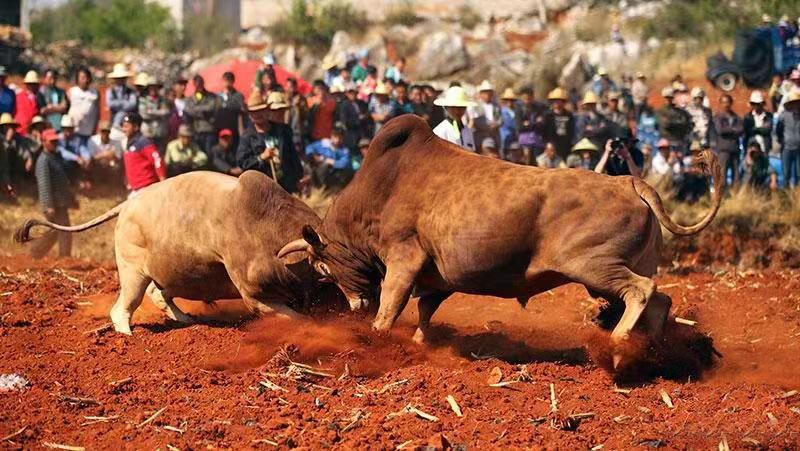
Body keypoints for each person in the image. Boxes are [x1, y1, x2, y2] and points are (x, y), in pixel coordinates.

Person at [236, 94, 302, 192]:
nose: (258, 114)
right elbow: (242, 162)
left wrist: (298, 177)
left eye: (261, 110)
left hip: (285, 186)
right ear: (249, 115)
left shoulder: (282, 130)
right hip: (261, 189)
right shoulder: (247, 137)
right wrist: (262, 157)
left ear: (267, 110)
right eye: (254, 112)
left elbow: (293, 156)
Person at [33, 129, 75, 258]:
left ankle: (35, 253)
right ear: (44, 142)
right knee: (63, 231)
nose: (55, 143)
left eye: (56, 141)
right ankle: (64, 257)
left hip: (60, 202)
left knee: (56, 231)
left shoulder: (55, 157)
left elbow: (62, 180)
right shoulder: (43, 160)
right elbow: (44, 184)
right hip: (54, 204)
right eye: (52, 141)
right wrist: (48, 206)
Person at [121, 112, 166, 197]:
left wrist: (162, 179)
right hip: (135, 189)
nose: (124, 129)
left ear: (135, 127)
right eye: (123, 126)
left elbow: (157, 159)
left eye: (126, 126)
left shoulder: (143, 142)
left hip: (146, 188)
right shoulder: (128, 143)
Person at [432, 86, 476, 151]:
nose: (457, 111)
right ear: (446, 108)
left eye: (462, 107)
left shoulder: (467, 131)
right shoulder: (440, 131)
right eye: (453, 107)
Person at [713, 94, 744, 186]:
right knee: (722, 175)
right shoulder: (718, 117)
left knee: (736, 175)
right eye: (724, 102)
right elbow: (721, 130)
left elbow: (741, 130)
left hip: (735, 149)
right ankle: (723, 197)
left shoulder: (736, 117)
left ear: (731, 103)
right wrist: (734, 130)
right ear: (721, 104)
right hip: (723, 150)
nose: (726, 104)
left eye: (728, 102)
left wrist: (730, 130)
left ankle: (736, 196)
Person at [0, 113, 34, 196]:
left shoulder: (17, 138)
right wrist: (8, 140)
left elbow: (24, 150)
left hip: (14, 168)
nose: (9, 128)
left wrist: (29, 159)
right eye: (6, 126)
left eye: (11, 126)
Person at [185, 75, 219, 153]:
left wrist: (196, 109)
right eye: (197, 84)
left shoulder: (211, 96)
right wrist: (202, 111)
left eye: (200, 83)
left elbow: (210, 108)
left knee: (209, 152)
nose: (199, 85)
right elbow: (189, 110)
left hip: (208, 128)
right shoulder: (191, 98)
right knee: (198, 153)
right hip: (196, 129)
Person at [67, 67, 99, 147]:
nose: (85, 80)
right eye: (82, 78)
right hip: (74, 131)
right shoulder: (71, 91)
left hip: (88, 131)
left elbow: (97, 112)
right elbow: (64, 108)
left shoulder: (95, 93)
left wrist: (95, 128)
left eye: (87, 78)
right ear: (77, 79)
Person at [106, 63, 138, 142]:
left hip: (128, 127)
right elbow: (110, 104)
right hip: (115, 126)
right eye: (118, 78)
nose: (120, 80)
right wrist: (124, 103)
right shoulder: (110, 91)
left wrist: (119, 105)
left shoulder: (131, 91)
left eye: (122, 78)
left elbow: (132, 104)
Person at [655, 87, 692, 154]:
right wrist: (677, 123)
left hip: (678, 141)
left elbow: (685, 123)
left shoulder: (679, 111)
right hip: (666, 142)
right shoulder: (661, 111)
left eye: (670, 97)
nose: (669, 99)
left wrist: (674, 123)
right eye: (667, 98)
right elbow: (666, 124)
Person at [515, 86, 546, 164]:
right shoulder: (519, 109)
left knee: (537, 163)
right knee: (526, 164)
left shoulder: (538, 108)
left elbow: (541, 125)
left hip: (536, 141)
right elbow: (520, 127)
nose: (527, 101)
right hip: (524, 142)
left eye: (529, 98)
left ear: (532, 97)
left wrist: (529, 124)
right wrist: (534, 123)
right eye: (525, 98)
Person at [542, 87, 575, 161]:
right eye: (555, 101)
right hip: (552, 144)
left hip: (565, 144)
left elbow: (572, 130)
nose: (557, 103)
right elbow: (544, 131)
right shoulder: (548, 115)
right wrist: (547, 143)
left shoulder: (569, 115)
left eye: (560, 101)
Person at [139, 75, 170, 151]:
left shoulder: (162, 100)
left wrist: (151, 111)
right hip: (148, 132)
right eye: (151, 87)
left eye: (155, 87)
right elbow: (144, 115)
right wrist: (159, 112)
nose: (153, 89)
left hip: (160, 132)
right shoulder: (143, 100)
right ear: (148, 88)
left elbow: (166, 112)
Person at [468, 80, 501, 153]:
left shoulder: (496, 106)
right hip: (480, 136)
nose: (487, 95)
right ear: (481, 94)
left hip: (494, 135)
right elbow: (474, 120)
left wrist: (496, 124)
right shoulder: (476, 106)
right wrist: (487, 126)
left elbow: (500, 119)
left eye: (489, 92)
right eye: (485, 92)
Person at [216, 71, 246, 150]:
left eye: (229, 80)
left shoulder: (238, 95)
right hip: (221, 128)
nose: (227, 83)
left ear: (233, 81)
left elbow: (242, 109)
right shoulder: (218, 96)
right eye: (225, 80)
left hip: (234, 128)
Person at [777, 90, 800, 188]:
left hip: (799, 148)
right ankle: (785, 198)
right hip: (786, 148)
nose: (796, 105)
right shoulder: (784, 115)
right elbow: (778, 130)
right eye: (794, 103)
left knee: (798, 174)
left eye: (797, 102)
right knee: (786, 174)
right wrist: (782, 141)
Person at [14, 71, 45, 136]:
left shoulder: (38, 97)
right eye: (30, 84)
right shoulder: (19, 96)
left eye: (34, 84)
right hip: (20, 130)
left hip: (30, 131)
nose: (32, 86)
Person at [336, 87, 366, 151]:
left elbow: (367, 113)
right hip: (351, 134)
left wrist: (364, 117)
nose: (352, 94)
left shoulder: (361, 103)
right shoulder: (344, 105)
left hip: (362, 133)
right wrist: (358, 120)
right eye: (350, 93)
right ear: (347, 94)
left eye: (354, 93)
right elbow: (345, 121)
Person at [743, 90, 773, 155]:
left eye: (758, 104)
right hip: (750, 147)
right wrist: (761, 128)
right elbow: (747, 131)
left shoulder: (768, 116)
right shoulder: (748, 117)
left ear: (762, 104)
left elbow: (767, 130)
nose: (756, 106)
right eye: (754, 104)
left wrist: (754, 129)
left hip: (764, 147)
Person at [285, 78, 308, 153]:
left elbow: (306, 115)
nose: (289, 89)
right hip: (285, 128)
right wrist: (291, 105)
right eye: (287, 86)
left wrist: (299, 107)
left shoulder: (301, 98)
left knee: (297, 152)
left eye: (291, 87)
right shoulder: (283, 97)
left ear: (295, 87)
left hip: (297, 130)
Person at [498, 88, 517, 155]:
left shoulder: (516, 112)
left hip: (514, 137)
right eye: (508, 100)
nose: (510, 102)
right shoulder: (502, 111)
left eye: (512, 100)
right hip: (504, 137)